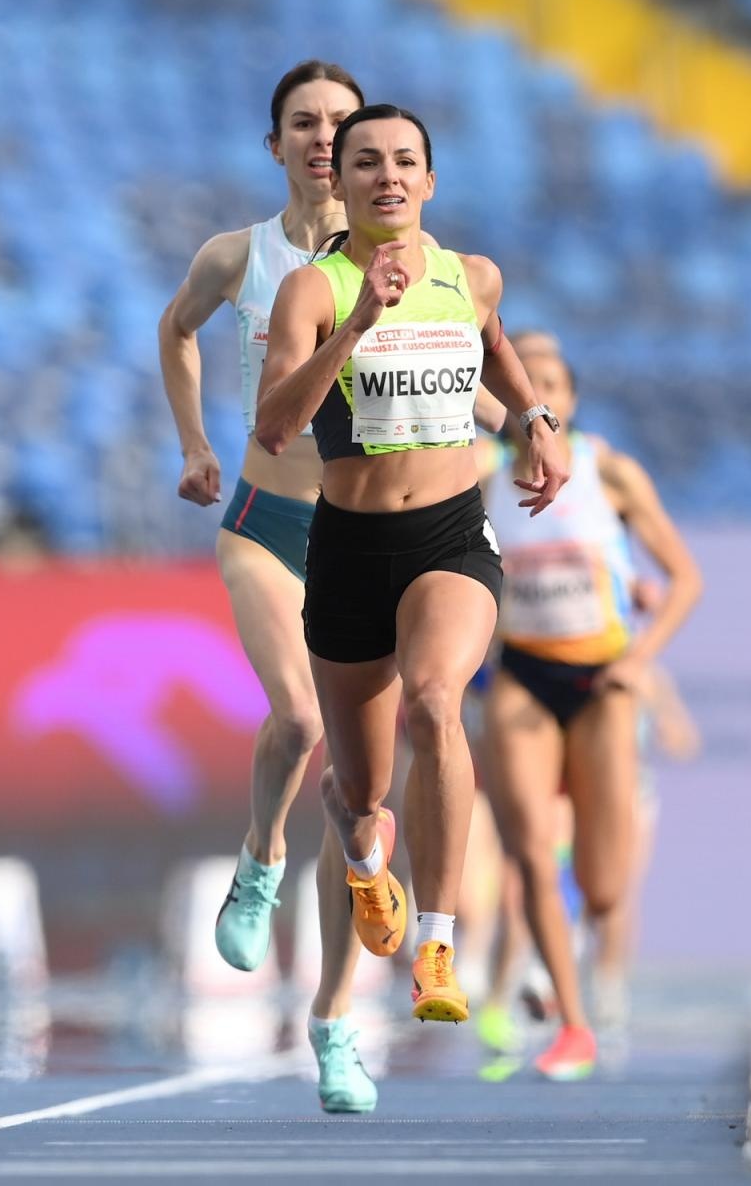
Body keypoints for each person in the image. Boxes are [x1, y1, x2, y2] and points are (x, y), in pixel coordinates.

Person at [254, 103, 568, 1029]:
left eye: (404, 161)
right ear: (337, 182)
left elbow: (499, 347)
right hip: (349, 551)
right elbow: (274, 426)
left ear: (430, 181)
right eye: (365, 162)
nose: (386, 176)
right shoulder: (312, 293)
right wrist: (354, 326)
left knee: (436, 700)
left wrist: (534, 422)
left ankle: (438, 941)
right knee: (360, 794)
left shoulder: (469, 277)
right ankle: (364, 864)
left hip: (448, 539)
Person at [157, 59, 380, 1114]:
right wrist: (197, 443)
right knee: (294, 723)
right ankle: (258, 860)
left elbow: (452, 369)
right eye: (304, 122)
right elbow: (175, 330)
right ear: (276, 144)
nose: (323, 137)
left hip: (366, 536)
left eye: (341, 121)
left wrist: (521, 426)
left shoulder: (397, 264)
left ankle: (333, 1022)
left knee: (363, 793)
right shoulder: (236, 256)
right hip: (262, 520)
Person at [480, 333, 702, 1078]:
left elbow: (684, 581)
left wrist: (637, 662)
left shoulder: (610, 472)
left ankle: (579, 959)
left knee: (605, 888)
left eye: (550, 383)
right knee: (531, 855)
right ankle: (570, 1023)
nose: (535, 394)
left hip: (601, 682)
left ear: (569, 401)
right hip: (523, 678)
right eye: (521, 381)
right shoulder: (480, 474)